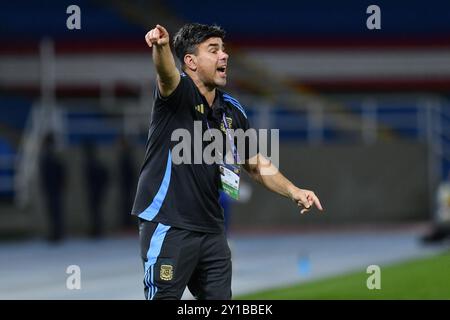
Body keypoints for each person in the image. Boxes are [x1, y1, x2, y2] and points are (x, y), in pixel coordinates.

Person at [132, 23, 323, 300]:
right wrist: (161, 47)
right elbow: (166, 74)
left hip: (212, 231)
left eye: (223, 49)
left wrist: (294, 190)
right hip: (169, 224)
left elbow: (254, 163)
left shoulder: (231, 110)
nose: (224, 55)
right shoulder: (177, 94)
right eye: (214, 50)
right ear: (191, 62)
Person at [39, 133, 66, 243]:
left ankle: (57, 233)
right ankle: (57, 233)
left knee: (55, 212)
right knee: (55, 212)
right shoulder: (52, 155)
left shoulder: (50, 156)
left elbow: (60, 172)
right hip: (53, 188)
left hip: (53, 188)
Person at [82, 141, 109, 239]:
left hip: (95, 191)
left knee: (95, 211)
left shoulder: (92, 163)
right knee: (96, 211)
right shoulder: (95, 163)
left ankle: (97, 229)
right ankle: (96, 229)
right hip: (96, 190)